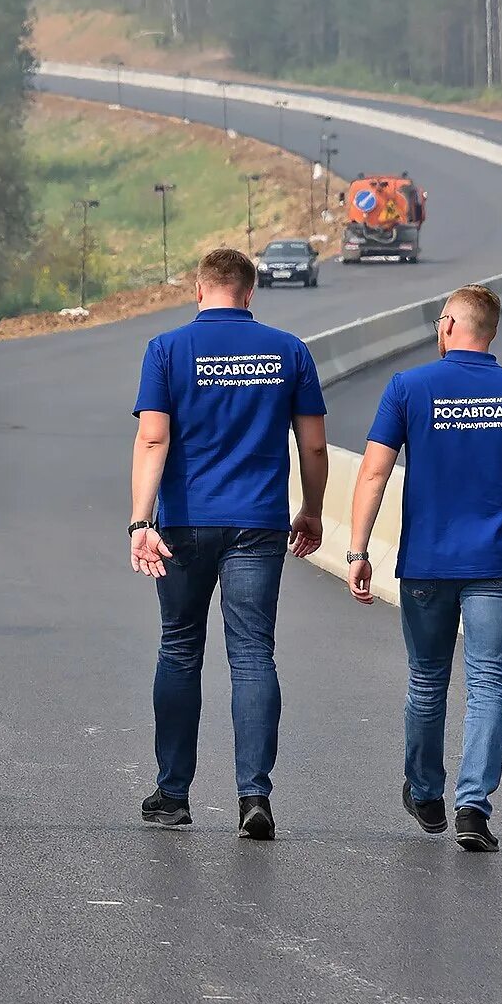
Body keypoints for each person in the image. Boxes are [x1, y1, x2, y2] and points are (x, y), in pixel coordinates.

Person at [129, 247, 328, 840]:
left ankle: (172, 794)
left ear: (198, 291)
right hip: (259, 522)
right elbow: (313, 446)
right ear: (250, 293)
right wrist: (311, 510)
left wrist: (142, 522)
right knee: (252, 655)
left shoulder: (166, 350)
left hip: (186, 522)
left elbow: (153, 440)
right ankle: (254, 796)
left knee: (180, 648)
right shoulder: (289, 351)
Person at [346, 284, 502, 853]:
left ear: (446, 326)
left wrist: (358, 551)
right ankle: (473, 808)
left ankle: (425, 791)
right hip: (497, 562)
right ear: (491, 332)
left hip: (428, 563)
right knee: (487, 681)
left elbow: (373, 473)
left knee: (427, 679)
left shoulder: (408, 388)